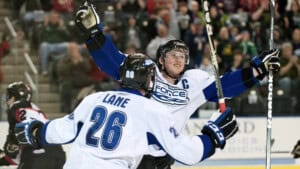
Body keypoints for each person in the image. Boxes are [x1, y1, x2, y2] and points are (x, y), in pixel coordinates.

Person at [74, 2, 281, 169]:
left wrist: (256, 72)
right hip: (129, 154)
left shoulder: (193, 81)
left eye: (182, 56)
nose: (178, 59)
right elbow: (114, 62)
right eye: (173, 55)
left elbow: (223, 86)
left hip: (161, 160)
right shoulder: (146, 71)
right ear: (161, 60)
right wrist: (94, 34)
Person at [14, 54, 238, 169]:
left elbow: (63, 130)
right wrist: (213, 136)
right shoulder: (152, 110)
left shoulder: (95, 98)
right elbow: (186, 153)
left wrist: (36, 132)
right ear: (148, 80)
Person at [1, 81, 66, 169]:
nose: (8, 100)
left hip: (36, 155)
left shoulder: (16, 107)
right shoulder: (35, 110)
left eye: (9, 96)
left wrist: (9, 147)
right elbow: (20, 154)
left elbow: (14, 146)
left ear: (14, 97)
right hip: (57, 154)